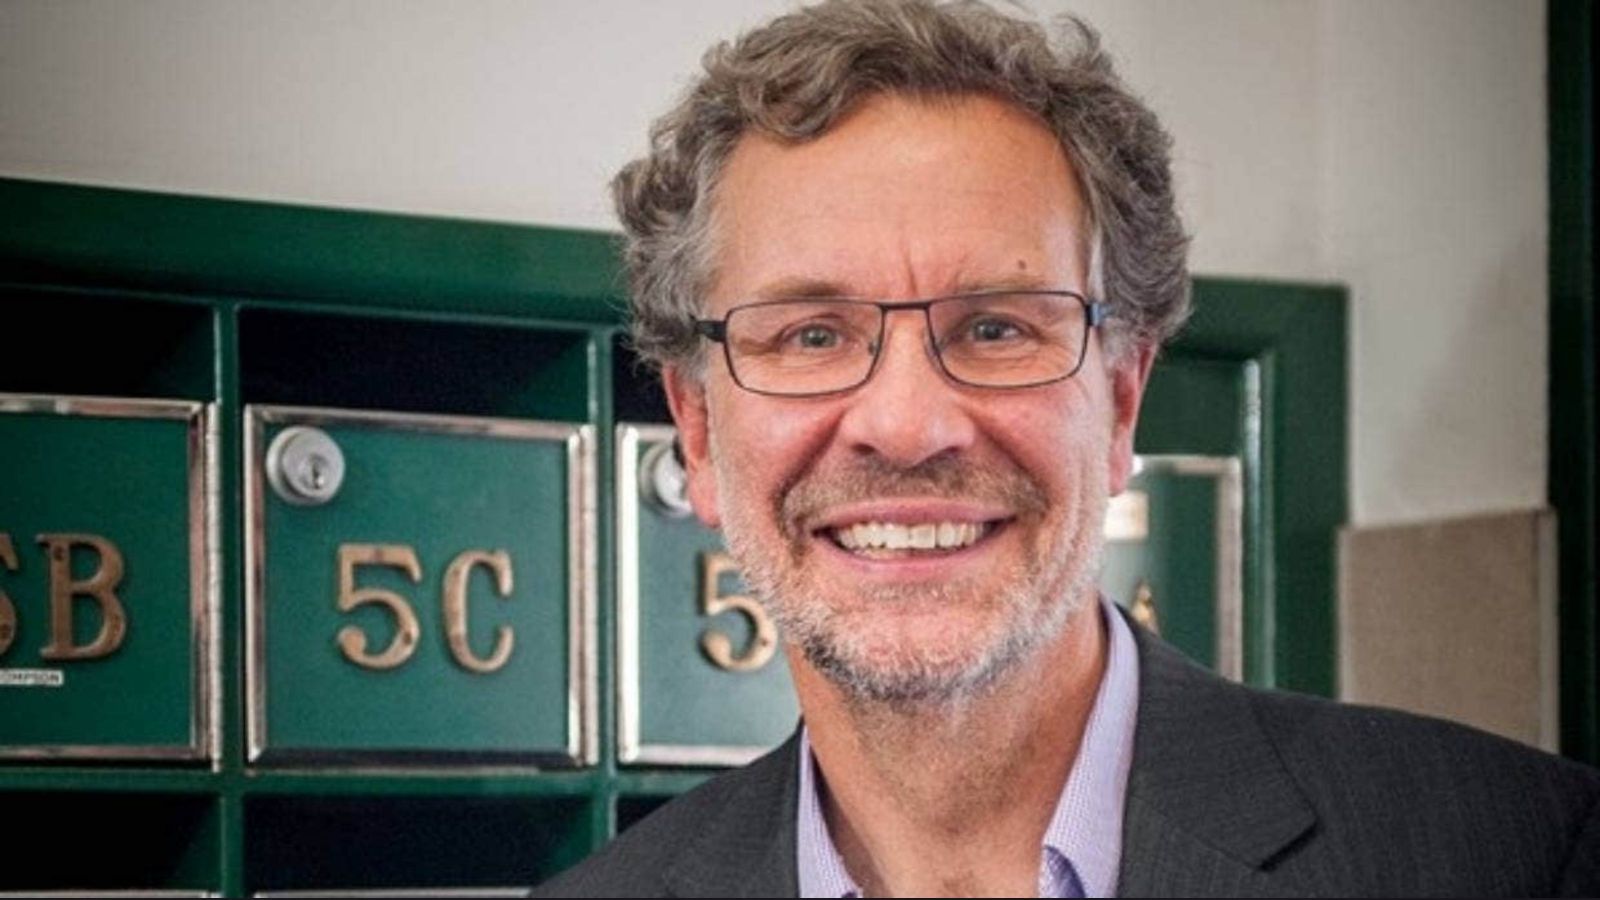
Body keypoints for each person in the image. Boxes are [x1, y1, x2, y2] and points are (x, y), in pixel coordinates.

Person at [537, 1, 1600, 895]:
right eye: (811, 335)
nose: (907, 426)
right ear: (700, 430)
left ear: (1122, 398)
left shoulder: (1510, 851)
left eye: (997, 328)